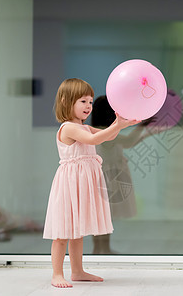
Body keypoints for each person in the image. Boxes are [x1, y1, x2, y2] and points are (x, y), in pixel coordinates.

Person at [43, 78, 139, 288]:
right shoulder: (68, 128)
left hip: (82, 183)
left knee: (77, 232)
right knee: (62, 233)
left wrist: (121, 124)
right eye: (83, 101)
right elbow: (96, 140)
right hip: (70, 184)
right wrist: (118, 125)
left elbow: (108, 137)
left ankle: (77, 271)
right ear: (67, 102)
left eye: (90, 101)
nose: (89, 106)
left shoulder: (84, 127)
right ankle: (57, 274)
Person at [91, 96, 156, 254]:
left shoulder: (98, 130)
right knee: (104, 217)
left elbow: (124, 143)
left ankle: (101, 248)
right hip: (108, 178)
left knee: (103, 217)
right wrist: (144, 127)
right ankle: (101, 249)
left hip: (105, 175)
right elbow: (128, 142)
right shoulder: (104, 132)